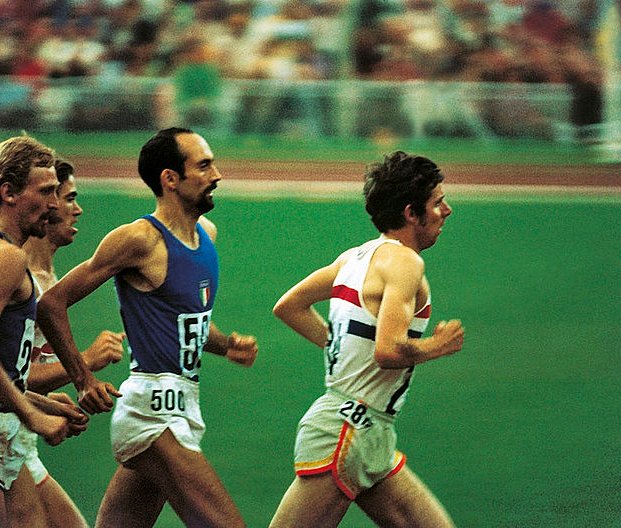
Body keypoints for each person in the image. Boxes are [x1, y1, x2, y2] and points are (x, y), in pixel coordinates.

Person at [37, 127, 259, 528]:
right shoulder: (139, 239)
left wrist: (226, 345)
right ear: (170, 179)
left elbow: (183, 324)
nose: (217, 175)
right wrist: (83, 378)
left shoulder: (206, 235)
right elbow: (51, 304)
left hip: (184, 408)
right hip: (153, 412)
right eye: (204, 165)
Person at [270, 151, 465, 527]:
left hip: (370, 433)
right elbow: (388, 351)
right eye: (438, 202)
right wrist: (437, 346)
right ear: (411, 213)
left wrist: (338, 345)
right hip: (347, 430)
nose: (447, 210)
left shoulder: (353, 258)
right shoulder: (406, 262)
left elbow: (289, 306)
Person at [0, 136, 88, 528]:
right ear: (7, 193)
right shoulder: (6, 256)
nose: (56, 205)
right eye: (46, 192)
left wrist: (41, 402)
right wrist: (30, 413)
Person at [7, 158, 126, 528]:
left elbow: (21, 371)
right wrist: (85, 361)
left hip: (21, 443)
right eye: (67, 196)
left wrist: (47, 402)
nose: (75, 208)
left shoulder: (47, 277)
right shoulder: (16, 275)